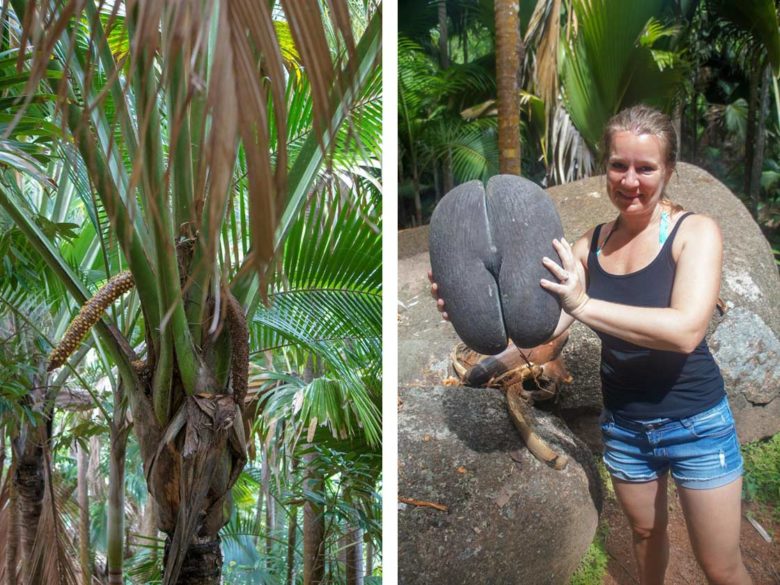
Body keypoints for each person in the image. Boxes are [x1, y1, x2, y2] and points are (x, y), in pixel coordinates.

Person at [429, 104, 752, 585]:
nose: (630, 180)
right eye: (619, 165)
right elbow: (546, 330)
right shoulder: (588, 247)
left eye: (646, 168)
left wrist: (582, 303)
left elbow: (686, 330)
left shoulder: (695, 233)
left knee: (720, 566)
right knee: (644, 533)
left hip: (696, 422)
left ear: (668, 170)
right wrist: (471, 307)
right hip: (626, 428)